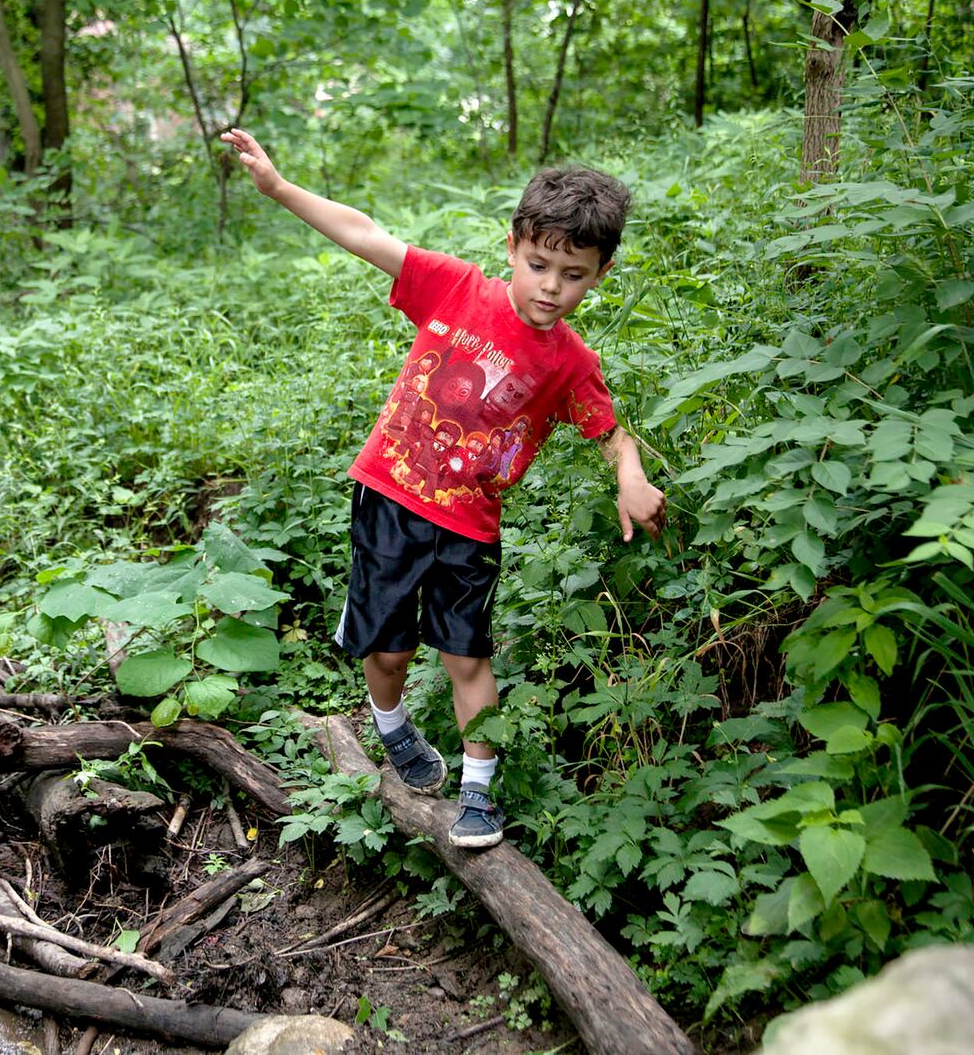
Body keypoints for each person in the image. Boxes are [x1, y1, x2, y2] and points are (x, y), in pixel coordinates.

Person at [221, 128, 667, 848]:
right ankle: (392, 727)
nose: (552, 286)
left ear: (601, 272)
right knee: (389, 651)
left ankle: (478, 792)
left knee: (468, 657)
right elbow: (367, 236)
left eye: (574, 274)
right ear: (514, 245)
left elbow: (609, 430)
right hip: (391, 497)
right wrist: (278, 189)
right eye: (539, 264)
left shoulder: (570, 363)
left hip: (470, 525)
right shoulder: (456, 288)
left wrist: (631, 474)